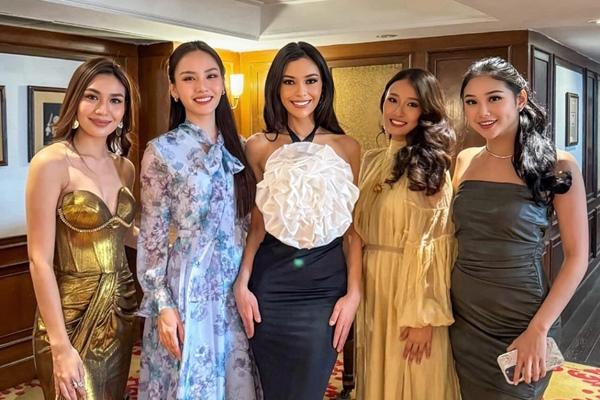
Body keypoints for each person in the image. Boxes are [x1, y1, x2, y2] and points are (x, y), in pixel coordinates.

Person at [450, 57, 588, 399]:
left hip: (522, 320)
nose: (482, 111)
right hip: (463, 318)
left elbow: (577, 257)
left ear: (520, 99)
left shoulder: (558, 164)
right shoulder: (465, 160)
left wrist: (539, 329)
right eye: (471, 101)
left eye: (494, 98)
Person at [233, 41, 362, 400]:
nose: (301, 92)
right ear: (276, 87)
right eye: (289, 82)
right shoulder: (258, 146)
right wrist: (242, 283)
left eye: (311, 80)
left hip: (325, 288)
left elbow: (352, 232)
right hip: (271, 286)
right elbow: (256, 225)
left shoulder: (348, 147)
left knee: (309, 389)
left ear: (324, 85)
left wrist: (354, 293)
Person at [136, 41, 260, 399]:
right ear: (174, 89)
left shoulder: (242, 146)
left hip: (238, 282)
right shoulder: (161, 152)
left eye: (210, 76)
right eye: (189, 78)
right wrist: (162, 304)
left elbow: (251, 223)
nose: (202, 87)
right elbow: (153, 236)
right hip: (188, 285)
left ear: (222, 83)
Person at [27, 57, 139, 400]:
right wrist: (60, 346)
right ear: (75, 100)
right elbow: (39, 261)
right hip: (69, 313)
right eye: (92, 97)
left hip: (120, 308)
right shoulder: (52, 162)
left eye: (115, 100)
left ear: (125, 110)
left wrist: (180, 239)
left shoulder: (125, 168)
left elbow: (122, 234)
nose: (103, 110)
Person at [353, 68, 460, 400]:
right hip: (373, 286)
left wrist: (423, 317)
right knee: (377, 372)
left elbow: (436, 244)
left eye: (412, 104)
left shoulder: (431, 168)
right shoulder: (370, 160)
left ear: (425, 112)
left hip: (410, 296)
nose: (398, 111)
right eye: (392, 100)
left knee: (414, 379)